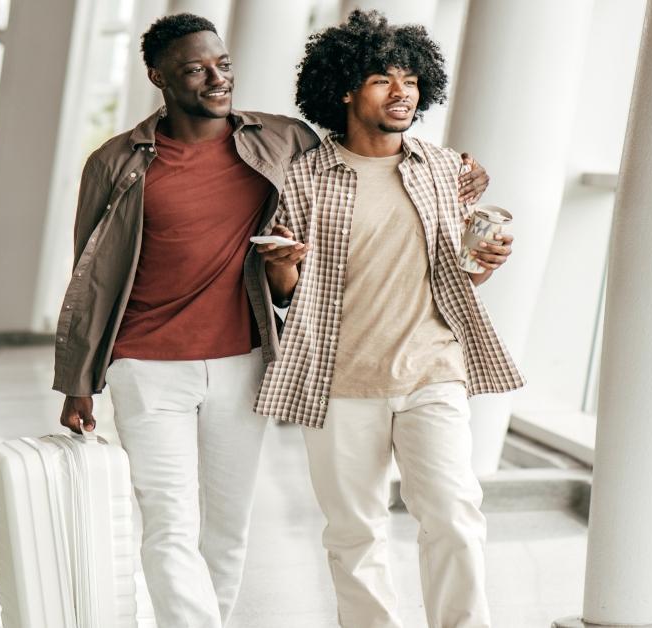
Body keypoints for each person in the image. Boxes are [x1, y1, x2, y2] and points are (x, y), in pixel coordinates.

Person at [52, 13, 491, 627]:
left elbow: (376, 171)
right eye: (194, 69)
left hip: (242, 358)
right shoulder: (116, 161)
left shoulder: (281, 141)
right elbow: (91, 273)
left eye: (223, 65)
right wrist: (78, 377)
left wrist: (468, 179)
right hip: (147, 363)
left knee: (229, 528)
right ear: (158, 77)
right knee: (169, 523)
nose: (215, 78)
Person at [255, 10, 525, 628]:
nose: (401, 91)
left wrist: (488, 259)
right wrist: (283, 267)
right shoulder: (304, 177)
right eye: (382, 78)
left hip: (433, 369)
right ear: (346, 89)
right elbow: (288, 289)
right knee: (354, 533)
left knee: (455, 515)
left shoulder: (443, 168)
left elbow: (461, 266)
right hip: (338, 378)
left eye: (409, 78)